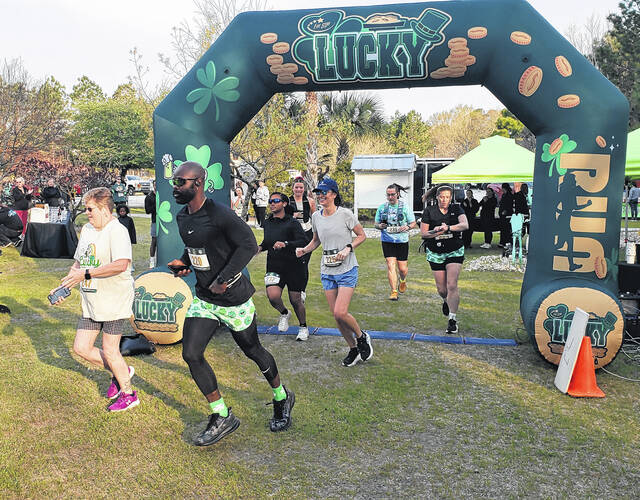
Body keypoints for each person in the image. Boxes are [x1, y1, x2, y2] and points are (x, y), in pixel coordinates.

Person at [167, 161, 294, 446]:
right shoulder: (183, 216)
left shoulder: (220, 214)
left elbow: (248, 245)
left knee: (253, 351)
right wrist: (184, 263)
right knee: (191, 354)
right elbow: (196, 247)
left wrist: (224, 278)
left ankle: (281, 396)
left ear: (198, 183)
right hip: (205, 299)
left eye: (180, 182)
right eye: (174, 181)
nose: (175, 187)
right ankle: (222, 415)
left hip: (234, 300)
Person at [50, 187, 138, 412]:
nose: (87, 213)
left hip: (114, 299)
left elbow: (121, 264)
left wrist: (86, 274)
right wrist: (65, 285)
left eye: (90, 209)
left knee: (110, 350)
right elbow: (80, 262)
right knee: (81, 347)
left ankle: (129, 394)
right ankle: (121, 371)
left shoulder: (117, 231)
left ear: (105, 210)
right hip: (92, 300)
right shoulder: (88, 229)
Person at [295, 177, 373, 367]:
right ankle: (353, 349)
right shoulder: (316, 216)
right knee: (336, 316)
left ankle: (362, 337)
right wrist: (304, 250)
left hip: (347, 269)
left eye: (324, 192)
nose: (320, 196)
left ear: (334, 194)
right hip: (327, 271)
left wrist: (348, 248)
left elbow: (362, 235)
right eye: (318, 193)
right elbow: (316, 240)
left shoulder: (345, 214)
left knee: (340, 311)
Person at [257, 192, 310, 340]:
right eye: (270, 201)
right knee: (273, 297)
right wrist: (260, 248)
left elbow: (303, 241)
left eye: (276, 201)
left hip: (294, 266)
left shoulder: (292, 223)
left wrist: (285, 244)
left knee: (295, 300)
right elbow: (268, 242)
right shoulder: (267, 222)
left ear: (284, 204)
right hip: (274, 265)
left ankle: (303, 327)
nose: (272, 203)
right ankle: (284, 313)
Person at [420, 185, 469, 334]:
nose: (444, 200)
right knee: (442, 290)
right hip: (435, 252)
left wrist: (448, 228)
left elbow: (465, 225)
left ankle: (452, 320)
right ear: (437, 197)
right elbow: (423, 233)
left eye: (447, 197)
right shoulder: (429, 211)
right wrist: (436, 232)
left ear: (451, 198)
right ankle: (446, 300)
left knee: (452, 284)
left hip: (454, 250)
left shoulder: (456, 209)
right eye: (442, 197)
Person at [374, 183, 416, 300]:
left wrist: (407, 227)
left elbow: (413, 223)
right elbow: (376, 224)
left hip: (402, 241)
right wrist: (380, 226)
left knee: (402, 269)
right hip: (387, 240)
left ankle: (402, 280)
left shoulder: (405, 207)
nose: (390, 197)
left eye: (392, 194)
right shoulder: (382, 208)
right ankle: (394, 291)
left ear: (397, 194)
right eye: (388, 195)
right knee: (390, 265)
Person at [144, 181, 157, 268]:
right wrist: (156, 204)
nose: (156, 186)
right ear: (153, 185)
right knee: (154, 240)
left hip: (165, 222)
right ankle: (152, 261)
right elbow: (147, 211)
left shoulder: (164, 195)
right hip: (155, 221)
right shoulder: (149, 197)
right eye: (155, 185)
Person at [498, 183, 514, 248]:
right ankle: (502, 242)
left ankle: (507, 242)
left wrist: (505, 210)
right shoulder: (504, 195)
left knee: (506, 229)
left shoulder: (509, 195)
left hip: (507, 215)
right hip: (502, 214)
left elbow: (509, 205)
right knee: (503, 229)